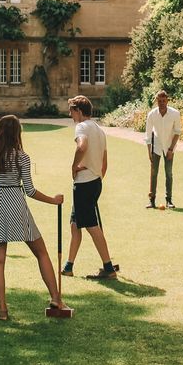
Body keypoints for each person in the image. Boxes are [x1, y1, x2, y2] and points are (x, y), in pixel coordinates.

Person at [0, 115, 72, 320]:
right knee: (41, 252)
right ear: (17, 133)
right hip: (15, 202)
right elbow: (30, 190)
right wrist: (53, 200)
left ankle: (3, 310)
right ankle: (55, 298)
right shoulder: (22, 157)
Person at [61, 95, 117, 279]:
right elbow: (105, 163)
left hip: (85, 183)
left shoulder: (82, 127)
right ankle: (68, 267)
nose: (70, 114)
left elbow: (82, 147)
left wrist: (73, 166)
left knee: (92, 226)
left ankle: (108, 269)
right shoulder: (99, 130)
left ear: (78, 110)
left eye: (71, 110)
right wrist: (97, 177)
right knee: (75, 225)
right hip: (94, 182)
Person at [144, 89, 181, 208]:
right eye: (159, 101)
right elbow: (148, 135)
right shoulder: (152, 114)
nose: (161, 103)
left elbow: (177, 132)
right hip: (156, 145)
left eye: (164, 101)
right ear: (156, 101)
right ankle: (152, 200)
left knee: (169, 173)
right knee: (153, 173)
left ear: (167, 100)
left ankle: (169, 200)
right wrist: (149, 151)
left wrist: (171, 149)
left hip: (170, 146)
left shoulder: (175, 113)